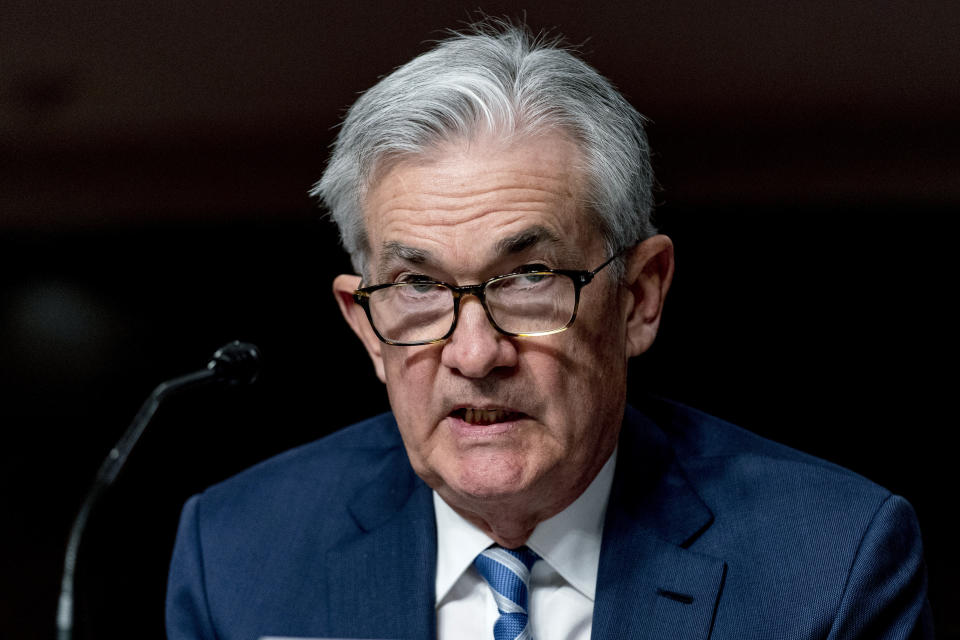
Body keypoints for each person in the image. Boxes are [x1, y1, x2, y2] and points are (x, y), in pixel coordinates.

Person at [166, 21, 932, 640]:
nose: (473, 354)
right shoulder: (236, 553)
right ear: (366, 325)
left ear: (638, 297)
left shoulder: (832, 562)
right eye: (420, 286)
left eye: (528, 280)